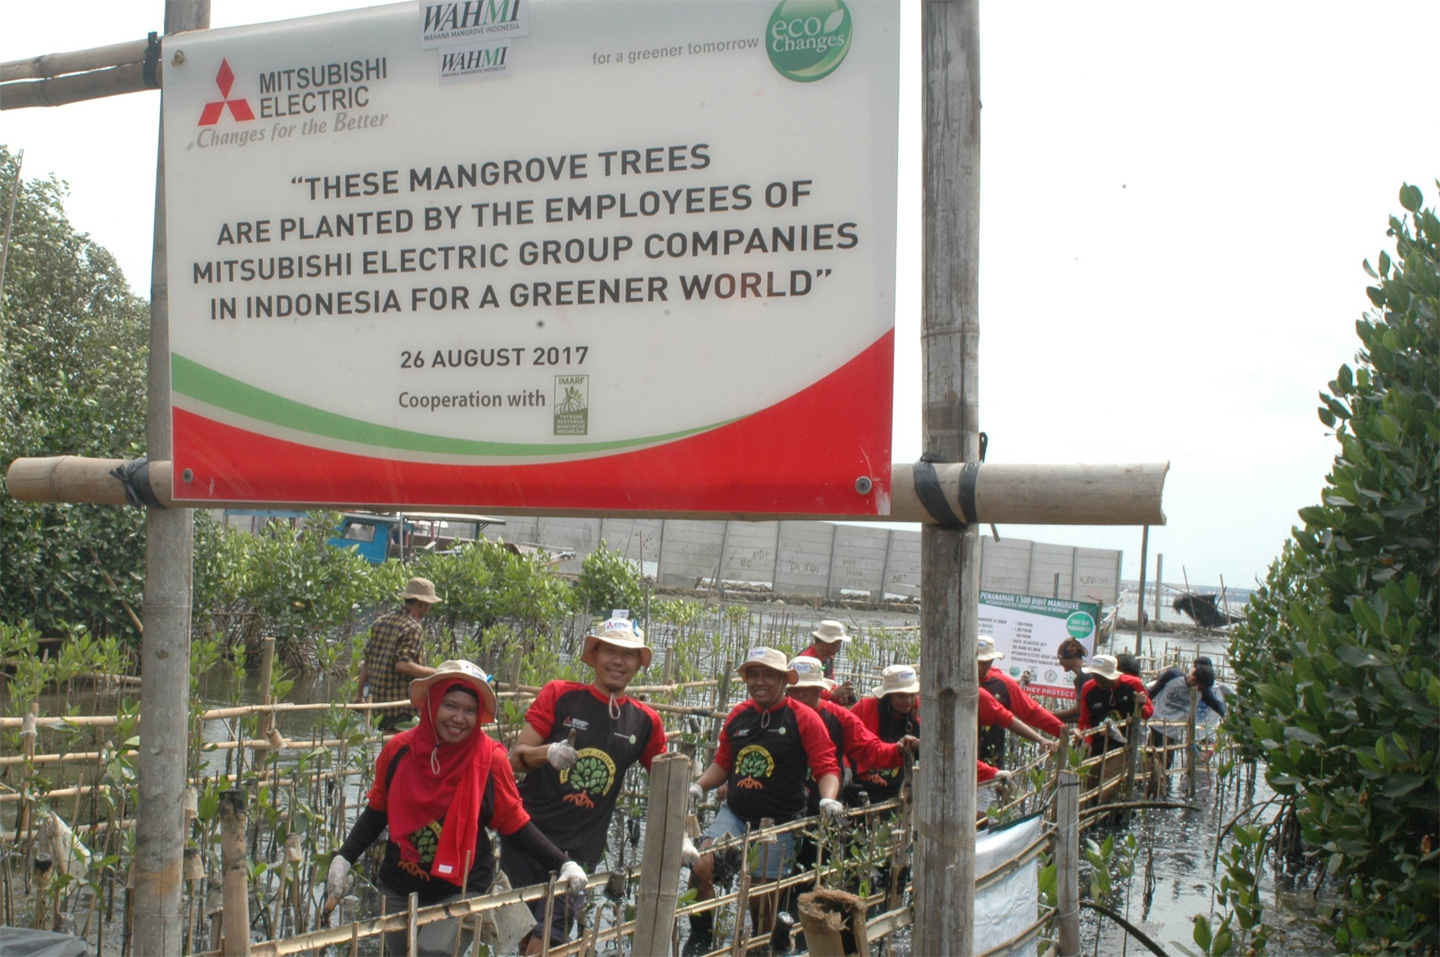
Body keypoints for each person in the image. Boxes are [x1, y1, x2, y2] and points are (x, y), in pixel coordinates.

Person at [326, 661, 587, 957]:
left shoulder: (490, 761)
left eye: (469, 710)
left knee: (432, 953)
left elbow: (514, 823)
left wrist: (562, 863)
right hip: (399, 885)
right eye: (450, 705)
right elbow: (376, 812)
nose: (459, 718)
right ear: (433, 704)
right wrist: (344, 858)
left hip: (461, 888)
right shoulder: (398, 751)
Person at [502, 618, 667, 954]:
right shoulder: (560, 696)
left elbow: (667, 784)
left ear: (639, 664)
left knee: (547, 939)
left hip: (578, 848)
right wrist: (548, 752)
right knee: (523, 932)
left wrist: (681, 835)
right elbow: (514, 758)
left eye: (629, 654)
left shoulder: (646, 722)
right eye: (610, 650)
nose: (618, 661)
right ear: (594, 655)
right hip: (526, 833)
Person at [686, 648, 842, 947]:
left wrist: (828, 798)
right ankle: (701, 939)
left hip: (779, 819)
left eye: (769, 674)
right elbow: (723, 763)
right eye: (753, 675)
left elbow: (827, 767)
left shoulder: (804, 718)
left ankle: (762, 948)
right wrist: (699, 786)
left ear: (785, 680)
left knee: (762, 905)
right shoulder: (739, 716)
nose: (760, 681)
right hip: (736, 811)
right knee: (702, 866)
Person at [356, 577, 440, 732]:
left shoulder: (381, 621)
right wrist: (439, 672)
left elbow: (367, 662)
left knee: (390, 750)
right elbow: (402, 665)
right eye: (429, 605)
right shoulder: (413, 627)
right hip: (401, 707)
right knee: (400, 751)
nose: (429, 609)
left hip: (379, 705)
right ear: (422, 604)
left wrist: (359, 695)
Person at [977, 636, 1065, 769]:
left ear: (993, 660)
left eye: (987, 662)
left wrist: (1061, 730)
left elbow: (1031, 711)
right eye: (978, 661)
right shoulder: (957, 684)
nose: (982, 667)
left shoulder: (1004, 684)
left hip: (992, 759)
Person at [848, 664, 922, 803]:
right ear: (887, 695)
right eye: (901, 696)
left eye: (912, 695)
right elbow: (842, 741)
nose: (908, 701)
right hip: (864, 783)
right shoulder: (863, 709)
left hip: (901, 785)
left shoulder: (920, 709)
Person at [1147, 657, 1226, 768]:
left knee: (1165, 765)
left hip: (1173, 730)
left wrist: (1225, 714)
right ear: (1194, 680)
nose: (1199, 690)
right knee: (1151, 760)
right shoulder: (1172, 676)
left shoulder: (1203, 690)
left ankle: (1157, 782)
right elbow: (1152, 692)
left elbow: (1214, 703)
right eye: (1199, 687)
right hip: (1157, 724)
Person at [1076, 653, 1154, 757]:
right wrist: (1087, 741)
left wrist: (1141, 706)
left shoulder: (1133, 684)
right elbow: (1085, 721)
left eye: (1103, 679)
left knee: (1110, 771)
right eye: (1096, 677)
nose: (1100, 682)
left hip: (1124, 744)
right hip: (1097, 743)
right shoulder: (1088, 688)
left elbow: (1148, 713)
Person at [799, 619, 857, 706]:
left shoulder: (828, 660)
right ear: (827, 642)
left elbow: (830, 684)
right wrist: (833, 694)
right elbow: (803, 690)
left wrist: (841, 695)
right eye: (837, 643)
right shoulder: (804, 661)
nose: (839, 647)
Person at [1050, 638, 1090, 722]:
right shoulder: (1087, 671)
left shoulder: (1083, 676)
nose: (1060, 662)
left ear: (1070, 657)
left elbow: (1078, 711)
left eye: (1060, 658)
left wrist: (1048, 715)